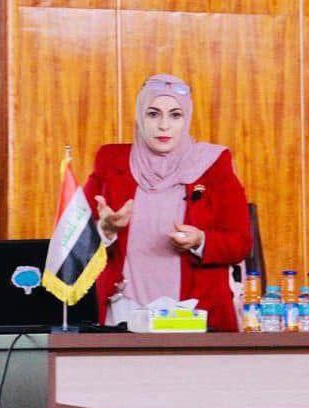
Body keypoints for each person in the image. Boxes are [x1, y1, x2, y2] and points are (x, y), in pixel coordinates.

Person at [83, 74, 251, 332]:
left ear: (187, 118)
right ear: (140, 117)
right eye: (153, 114)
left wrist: (200, 240)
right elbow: (74, 243)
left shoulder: (214, 163)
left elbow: (240, 243)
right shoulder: (111, 160)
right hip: (124, 311)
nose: (164, 126)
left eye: (175, 115)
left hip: (196, 314)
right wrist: (104, 231)